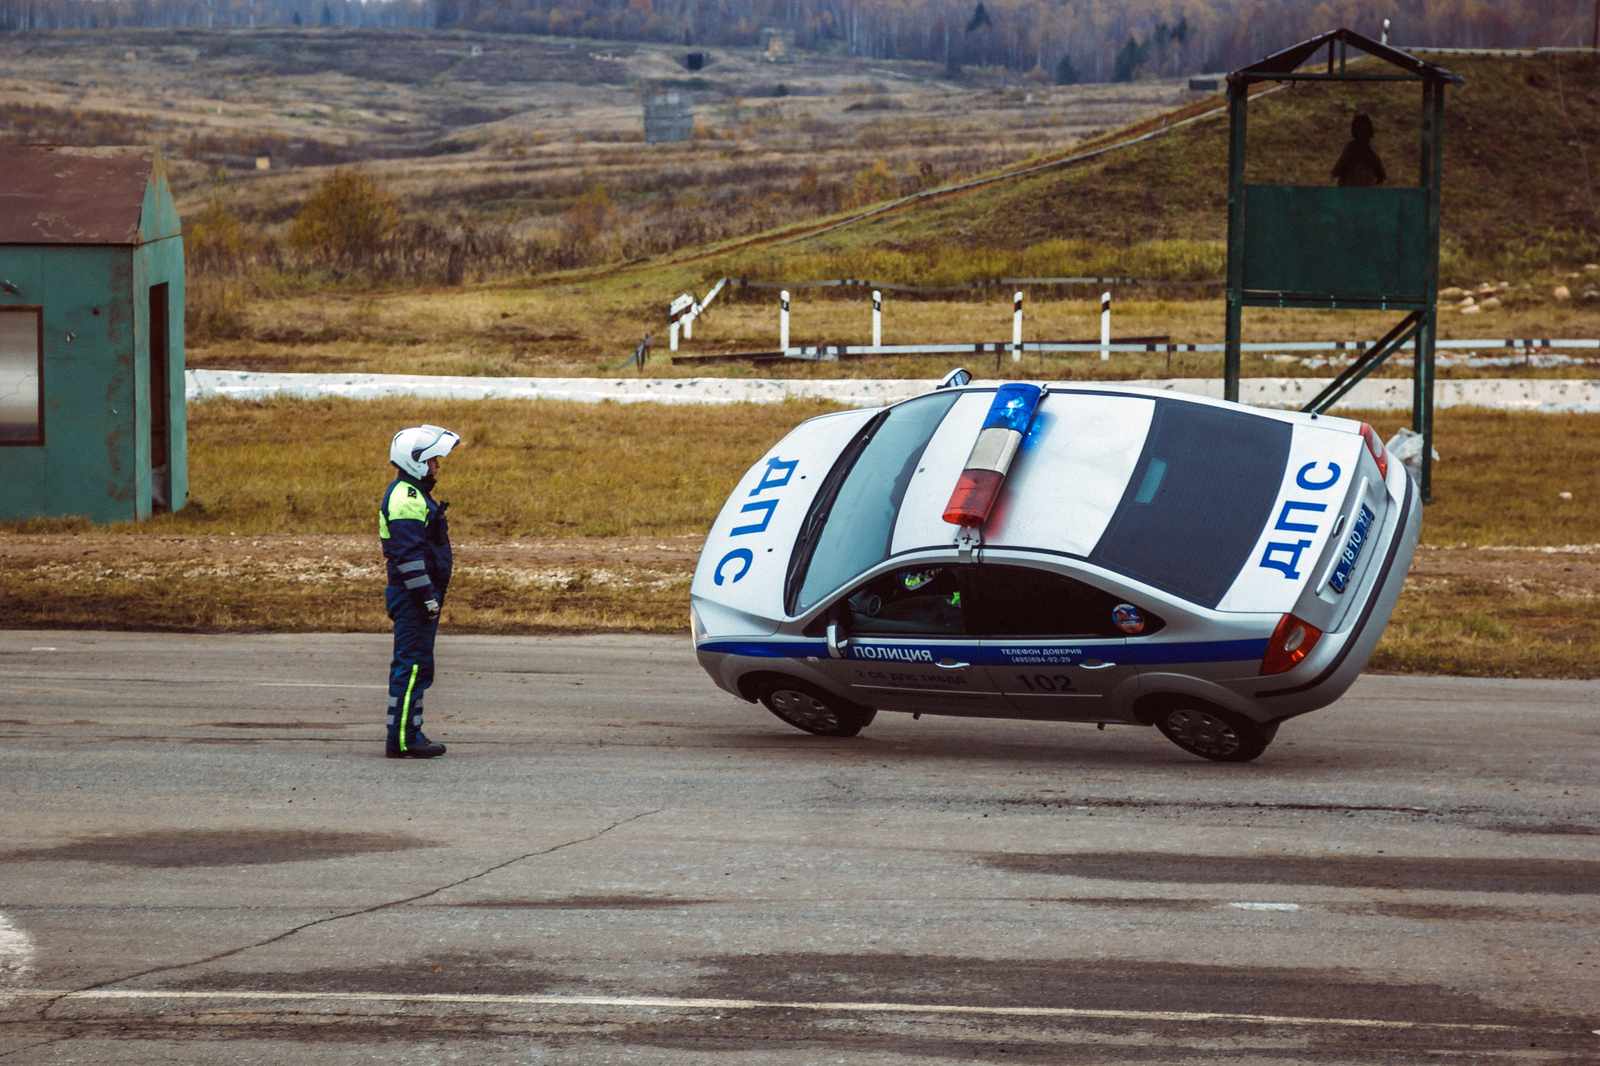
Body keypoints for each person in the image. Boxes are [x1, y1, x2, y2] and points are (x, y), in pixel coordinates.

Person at [379, 424, 462, 759]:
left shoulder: (414, 494)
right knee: (412, 667)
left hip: (419, 596)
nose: (437, 466)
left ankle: (408, 733)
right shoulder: (406, 498)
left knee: (418, 667)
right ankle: (403, 739)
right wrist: (426, 596)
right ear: (414, 461)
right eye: (432, 460)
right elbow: (407, 556)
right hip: (413, 596)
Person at [1331, 113, 1386, 187]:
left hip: (1349, 193)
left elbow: (1335, 171)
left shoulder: (1351, 148)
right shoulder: (1370, 151)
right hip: (1363, 194)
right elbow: (1381, 175)